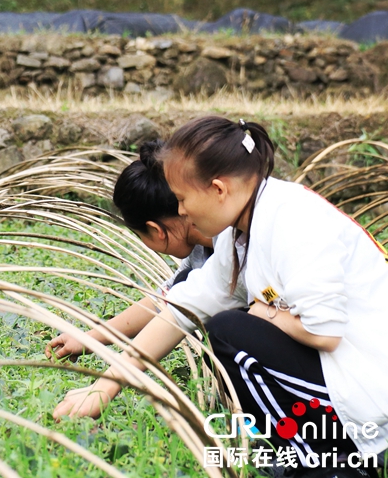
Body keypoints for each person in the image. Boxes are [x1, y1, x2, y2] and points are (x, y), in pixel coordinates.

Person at [54, 116, 388, 474]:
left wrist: (266, 313)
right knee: (232, 328)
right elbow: (181, 308)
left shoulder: (292, 219)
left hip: (368, 386)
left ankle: (332, 463)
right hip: (340, 379)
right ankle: (314, 453)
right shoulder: (240, 231)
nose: (181, 211)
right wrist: (105, 386)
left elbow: (325, 331)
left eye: (182, 198)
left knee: (232, 331)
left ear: (217, 189)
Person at [46, 140, 214, 362]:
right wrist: (90, 337)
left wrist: (109, 383)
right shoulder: (200, 248)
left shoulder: (233, 250)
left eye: (140, 235)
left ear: (156, 230)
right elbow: (164, 300)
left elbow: (174, 313)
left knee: (221, 332)